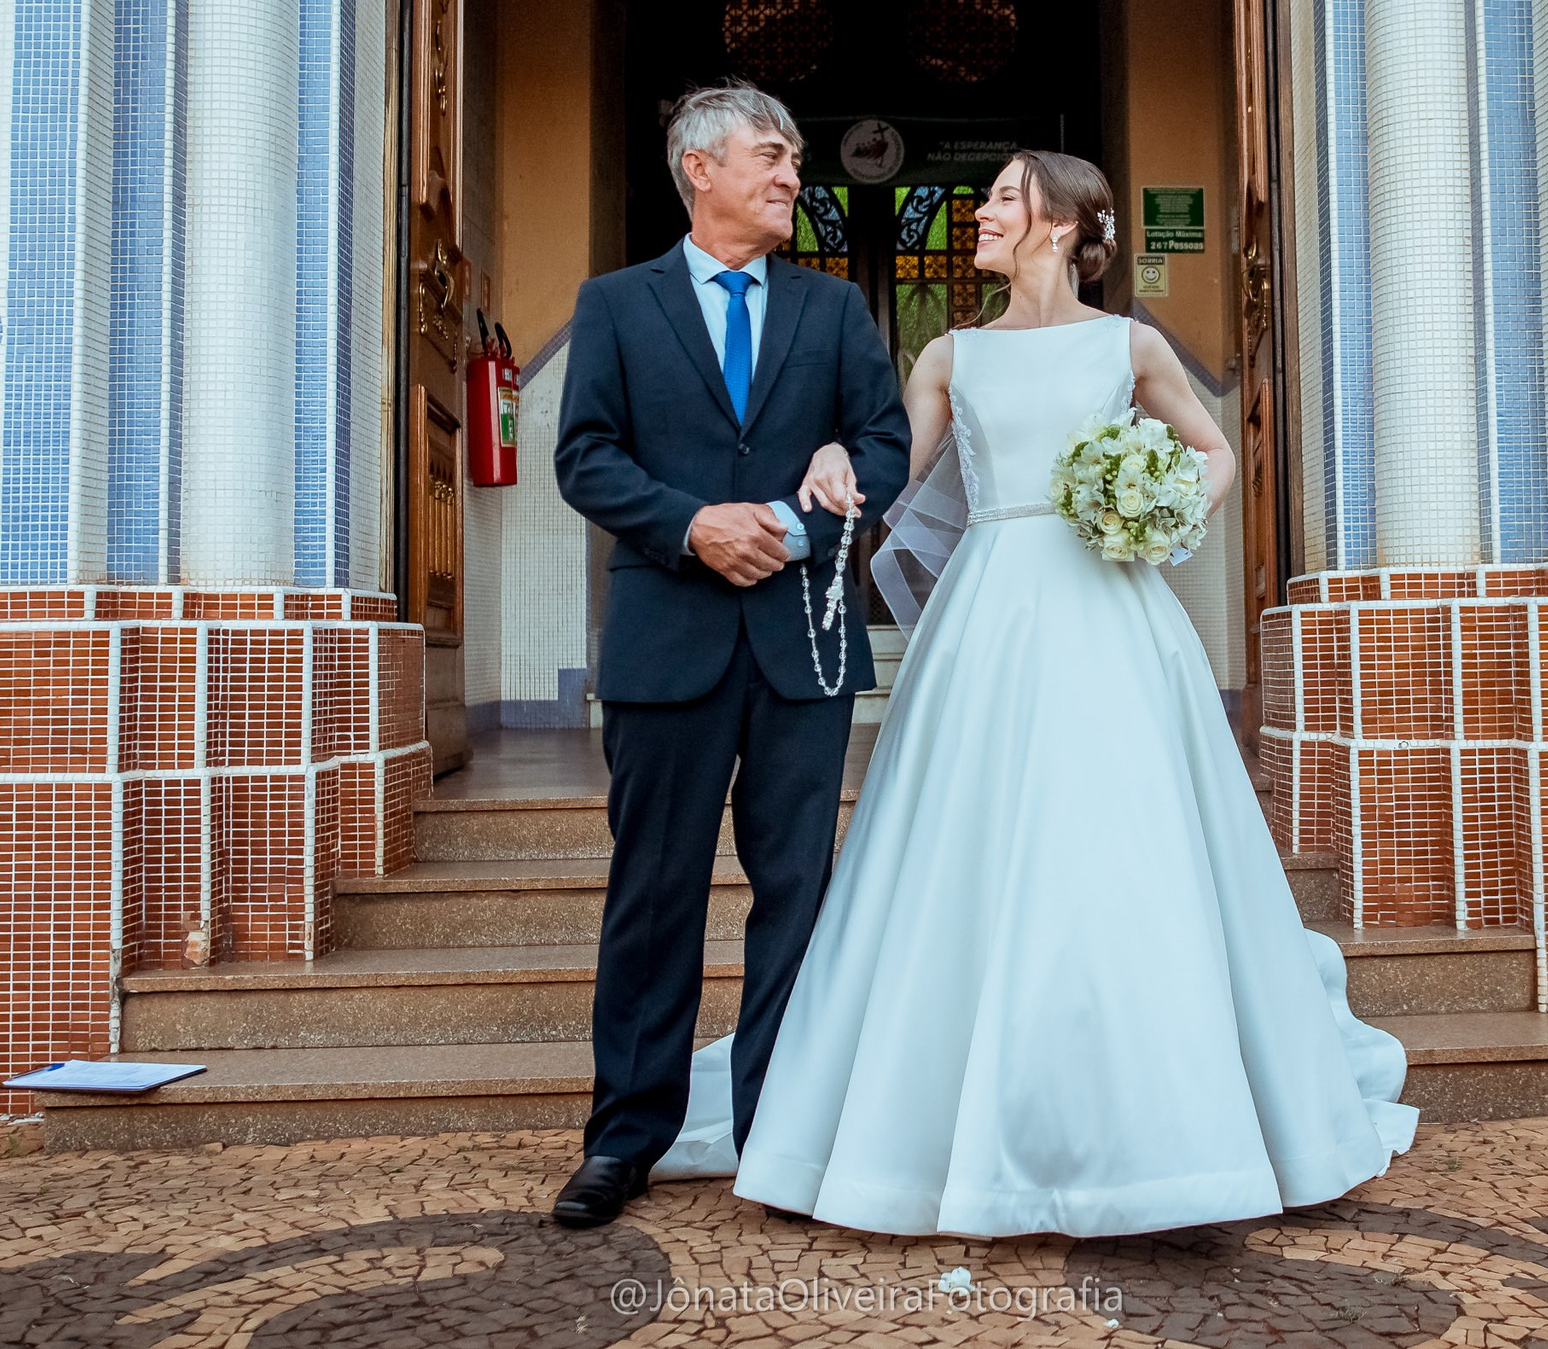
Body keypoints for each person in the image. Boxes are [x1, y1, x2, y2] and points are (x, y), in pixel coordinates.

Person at [650, 148, 1420, 1237]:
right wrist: (826, 462)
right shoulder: (950, 356)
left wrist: (1156, 506)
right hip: (990, 616)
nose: (983, 213)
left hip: (1111, 608)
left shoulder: (1131, 343)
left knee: (1127, 843)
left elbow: (1211, 451)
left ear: (1059, 224)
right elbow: (889, 478)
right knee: (971, 842)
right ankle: (950, 1129)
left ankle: (1166, 1128)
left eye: (1004, 197)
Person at [548, 83, 911, 1230]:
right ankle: (624, 1139)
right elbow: (586, 457)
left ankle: (781, 1134)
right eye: (771, 154)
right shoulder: (614, 304)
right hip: (669, 641)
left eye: (797, 157)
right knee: (653, 896)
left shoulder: (836, 308)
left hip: (802, 640)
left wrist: (805, 524)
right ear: (698, 167)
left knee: (795, 894)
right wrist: (695, 523)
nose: (793, 175)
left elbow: (885, 443)